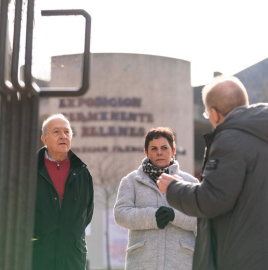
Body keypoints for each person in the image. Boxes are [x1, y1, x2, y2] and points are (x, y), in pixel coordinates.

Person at [157, 75, 268, 270]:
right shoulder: (259, 133)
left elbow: (212, 199)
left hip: (241, 258)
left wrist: (173, 188)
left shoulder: (230, 139)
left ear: (215, 114)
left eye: (207, 114)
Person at [114, 127, 198, 270]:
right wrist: (152, 217)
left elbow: (202, 221)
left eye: (164, 148)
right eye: (154, 148)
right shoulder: (131, 181)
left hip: (181, 263)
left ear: (173, 151)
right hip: (142, 263)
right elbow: (121, 214)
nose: (159, 152)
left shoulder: (191, 183)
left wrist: (174, 216)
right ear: (146, 152)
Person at [32, 113, 94, 270]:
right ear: (44, 139)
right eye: (56, 132)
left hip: (72, 259)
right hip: (37, 258)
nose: (63, 136)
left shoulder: (82, 173)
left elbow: (86, 215)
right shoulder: (29, 170)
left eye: (67, 132)